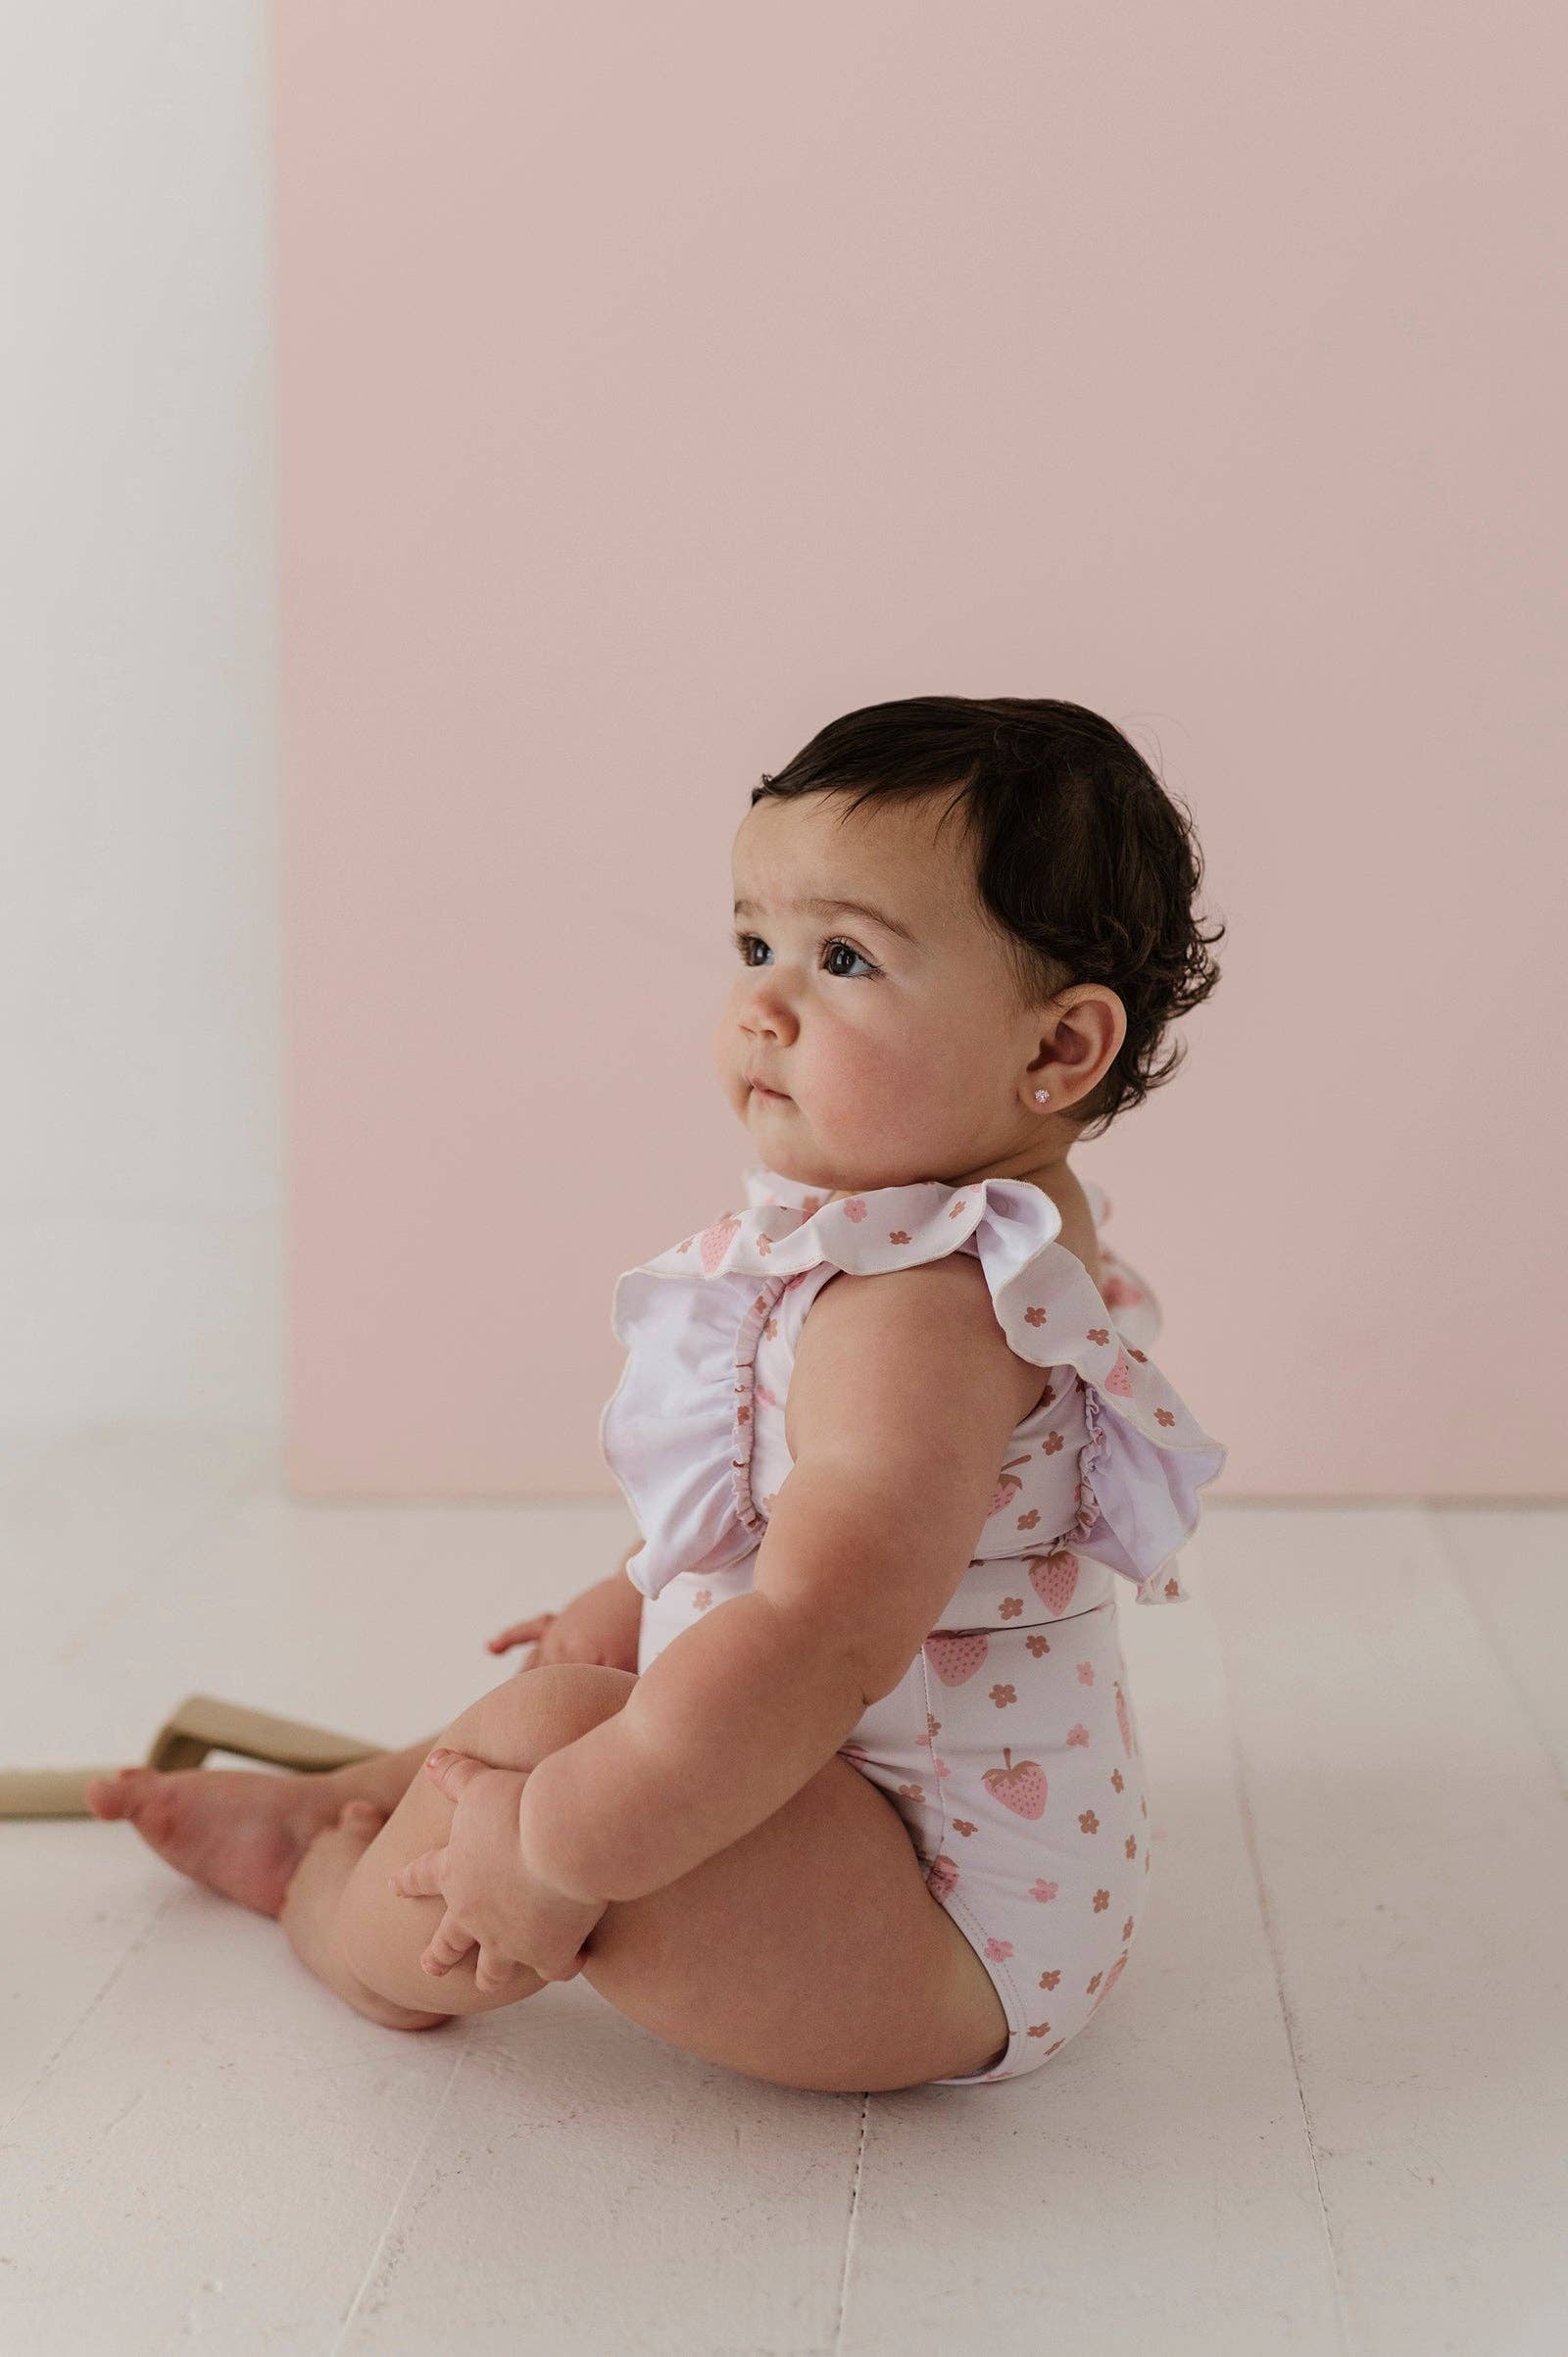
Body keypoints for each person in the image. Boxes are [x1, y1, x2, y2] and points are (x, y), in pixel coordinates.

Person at [87, 694, 1228, 2092]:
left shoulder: (924, 1317)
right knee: (601, 1667)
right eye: (754, 946)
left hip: (944, 1926)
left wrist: (554, 1847)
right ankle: (362, 1794)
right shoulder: (977, 1237)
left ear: (1056, 1052)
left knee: (556, 1743)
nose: (762, 1005)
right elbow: (836, 1553)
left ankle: (335, 1911)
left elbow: (820, 1637)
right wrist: (643, 1599)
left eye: (844, 958)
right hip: (919, 1843)